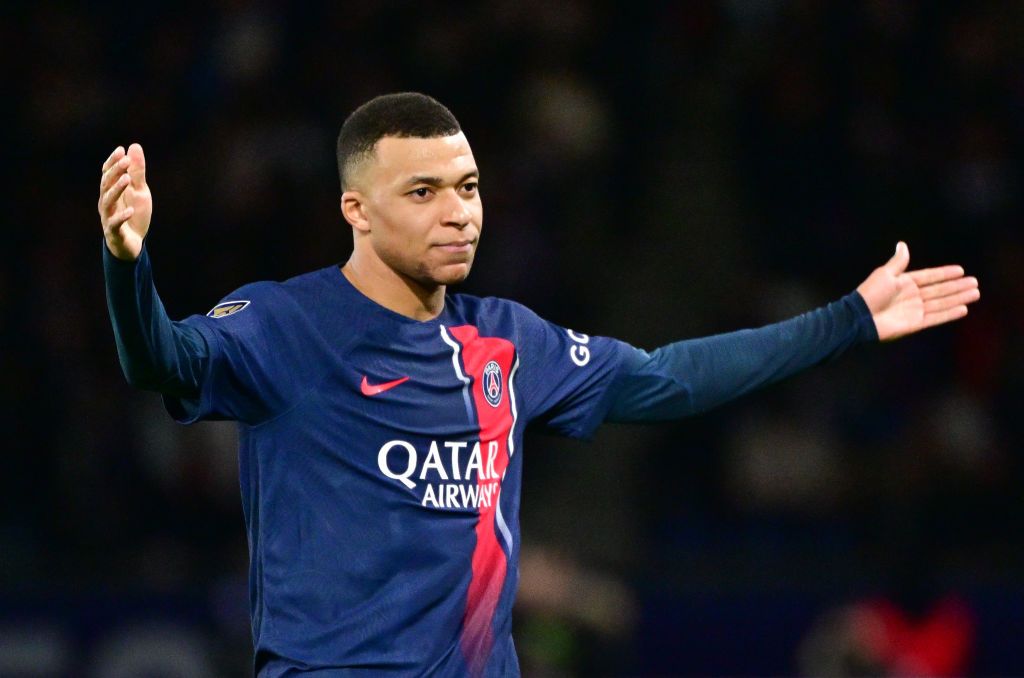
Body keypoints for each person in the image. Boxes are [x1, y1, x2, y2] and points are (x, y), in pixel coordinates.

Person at [98, 92, 980, 677]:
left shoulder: (509, 343)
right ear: (356, 211)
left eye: (470, 186)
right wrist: (126, 265)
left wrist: (848, 318)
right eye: (425, 191)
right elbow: (161, 361)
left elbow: (670, 380)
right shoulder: (285, 325)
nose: (460, 211)